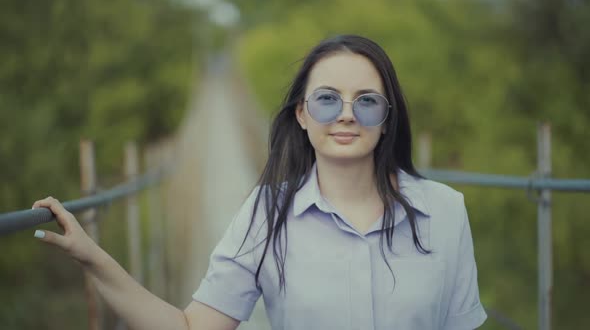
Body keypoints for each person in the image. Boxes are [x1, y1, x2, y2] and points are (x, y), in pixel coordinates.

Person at [31, 34, 487, 330]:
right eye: (328, 100)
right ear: (302, 115)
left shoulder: (444, 211)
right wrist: (93, 258)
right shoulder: (267, 214)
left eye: (367, 101)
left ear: (387, 120)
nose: (347, 114)